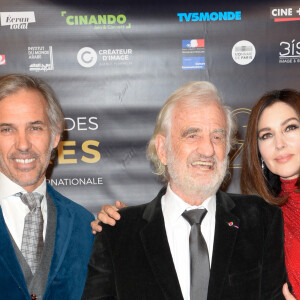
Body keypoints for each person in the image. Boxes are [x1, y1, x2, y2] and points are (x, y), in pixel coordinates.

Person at [83, 81, 287, 299]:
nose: (208, 149)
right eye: (193, 135)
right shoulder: (118, 233)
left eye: (217, 137)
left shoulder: (261, 220)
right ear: (162, 150)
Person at [0, 74, 94, 300]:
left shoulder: (83, 224)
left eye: (35, 128)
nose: (23, 144)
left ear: (54, 136)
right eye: (7, 129)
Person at [241, 89, 300, 300]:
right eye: (267, 135)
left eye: (290, 127)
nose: (279, 144)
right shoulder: (259, 218)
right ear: (258, 152)